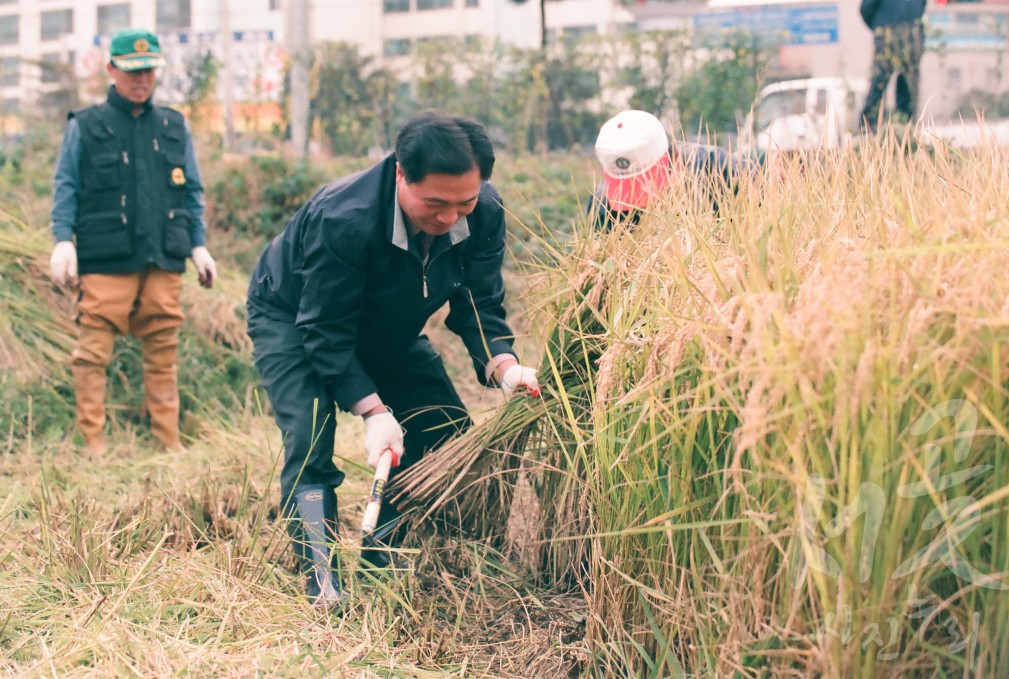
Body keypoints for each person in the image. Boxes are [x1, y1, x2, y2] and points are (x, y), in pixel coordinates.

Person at [246, 110, 541, 607]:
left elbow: (478, 303)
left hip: (386, 324)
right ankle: (321, 578)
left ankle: (380, 555)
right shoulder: (345, 219)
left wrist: (506, 367)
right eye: (435, 204)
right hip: (295, 318)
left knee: (443, 428)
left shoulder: (484, 213)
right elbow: (324, 329)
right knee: (310, 438)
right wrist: (373, 410)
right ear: (401, 173)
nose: (450, 218)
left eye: (464, 202)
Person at [48, 28, 217, 456]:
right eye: (132, 70)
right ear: (111, 70)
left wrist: (198, 244)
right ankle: (93, 443)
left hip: (164, 256)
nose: (141, 78)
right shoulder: (86, 125)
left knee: (163, 352)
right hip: (105, 258)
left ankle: (168, 441)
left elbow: (192, 190)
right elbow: (66, 185)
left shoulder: (173, 125)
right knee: (92, 353)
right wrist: (62, 240)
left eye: (148, 70)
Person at [587, 109, 762, 231]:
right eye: (627, 187)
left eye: (649, 182)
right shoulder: (603, 205)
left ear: (675, 157)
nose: (647, 203)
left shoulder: (722, 170)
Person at [858, 0, 927, 131]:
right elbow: (866, 8)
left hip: (910, 33)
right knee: (879, 84)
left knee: (908, 87)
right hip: (888, 32)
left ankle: (905, 129)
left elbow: (922, 6)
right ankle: (868, 130)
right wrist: (881, 27)